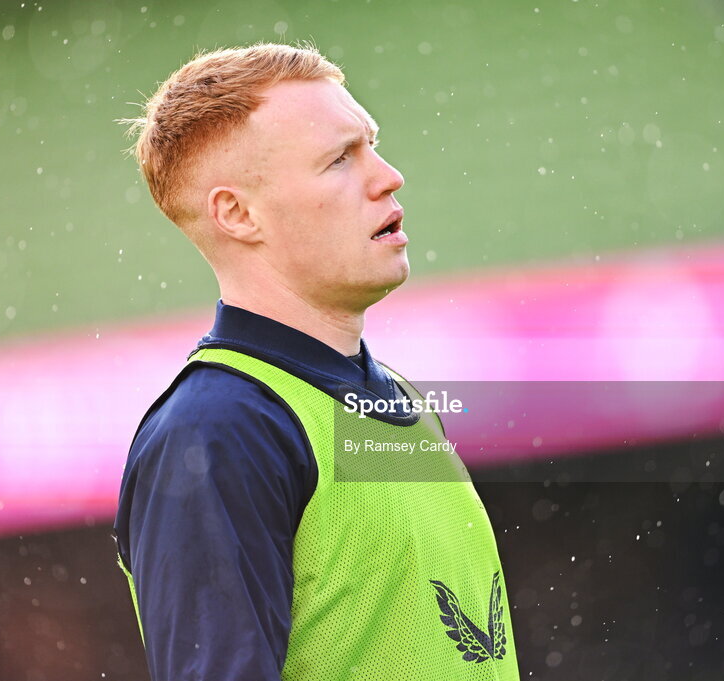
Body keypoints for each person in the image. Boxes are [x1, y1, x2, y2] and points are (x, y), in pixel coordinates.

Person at [113, 43, 519, 681]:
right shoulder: (217, 431)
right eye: (339, 160)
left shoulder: (402, 400)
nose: (387, 176)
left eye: (371, 145)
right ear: (238, 214)